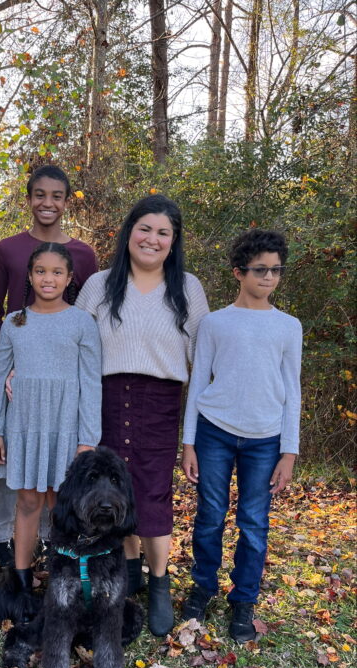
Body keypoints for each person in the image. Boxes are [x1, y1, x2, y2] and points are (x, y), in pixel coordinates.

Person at [76, 195, 209, 637]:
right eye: (145, 228)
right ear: (129, 231)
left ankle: (158, 581)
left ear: (173, 241)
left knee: (153, 494)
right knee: (115, 490)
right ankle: (128, 568)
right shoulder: (98, 285)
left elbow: (205, 364)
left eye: (163, 232)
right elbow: (70, 342)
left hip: (160, 401)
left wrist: (192, 437)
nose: (152, 239)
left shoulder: (187, 288)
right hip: (106, 398)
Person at [181, 228, 302, 643]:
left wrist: (289, 451)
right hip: (214, 433)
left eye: (276, 270)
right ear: (239, 272)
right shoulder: (215, 323)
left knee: (254, 523)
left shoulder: (289, 327)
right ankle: (203, 586)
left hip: (266, 439)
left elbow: (293, 390)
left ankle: (244, 599)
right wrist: (189, 442)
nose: (269, 277)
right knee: (210, 516)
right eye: (260, 269)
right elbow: (198, 382)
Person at [0, 165, 98, 566]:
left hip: (66, 411)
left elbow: (87, 360)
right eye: (39, 194)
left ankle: (64, 574)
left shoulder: (85, 260)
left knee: (60, 498)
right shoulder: (7, 252)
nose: (47, 202)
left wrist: (89, 435)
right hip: (24, 404)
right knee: (23, 494)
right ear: (28, 197)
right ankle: (15, 566)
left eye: (56, 195)